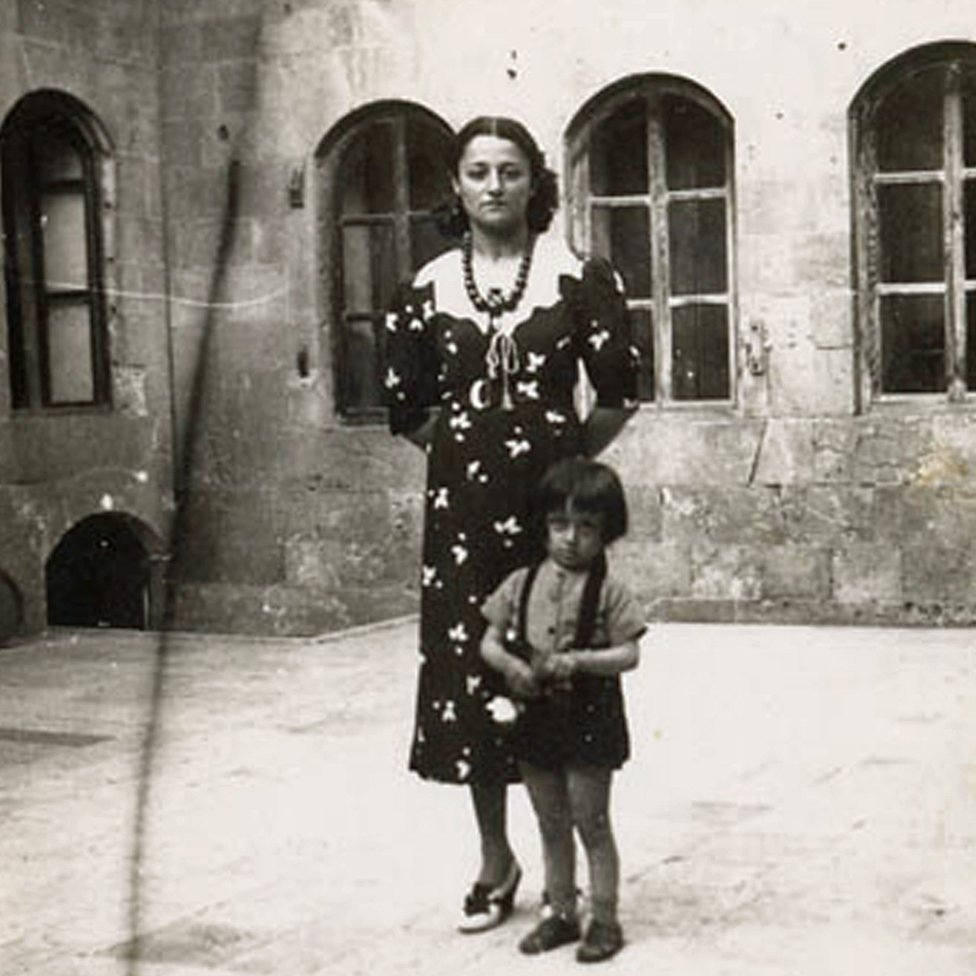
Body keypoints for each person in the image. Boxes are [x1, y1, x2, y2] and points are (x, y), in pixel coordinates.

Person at [383, 115, 639, 933]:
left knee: (555, 667)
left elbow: (619, 392)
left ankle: (569, 875)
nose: (494, 186)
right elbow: (407, 408)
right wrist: (470, 450)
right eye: (478, 172)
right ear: (456, 187)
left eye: (510, 171)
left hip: (551, 512)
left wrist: (563, 463)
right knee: (475, 673)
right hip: (461, 518)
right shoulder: (426, 287)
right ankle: (496, 859)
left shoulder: (580, 276)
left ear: (536, 182)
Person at [480, 457, 645, 963]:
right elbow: (488, 641)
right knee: (550, 820)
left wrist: (581, 661)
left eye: (587, 527)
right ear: (544, 526)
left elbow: (629, 653)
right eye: (559, 525)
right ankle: (561, 912)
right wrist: (512, 667)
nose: (571, 539)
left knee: (590, 820)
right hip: (536, 715)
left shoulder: (610, 592)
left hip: (590, 717)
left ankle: (606, 918)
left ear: (607, 532)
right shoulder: (520, 583)